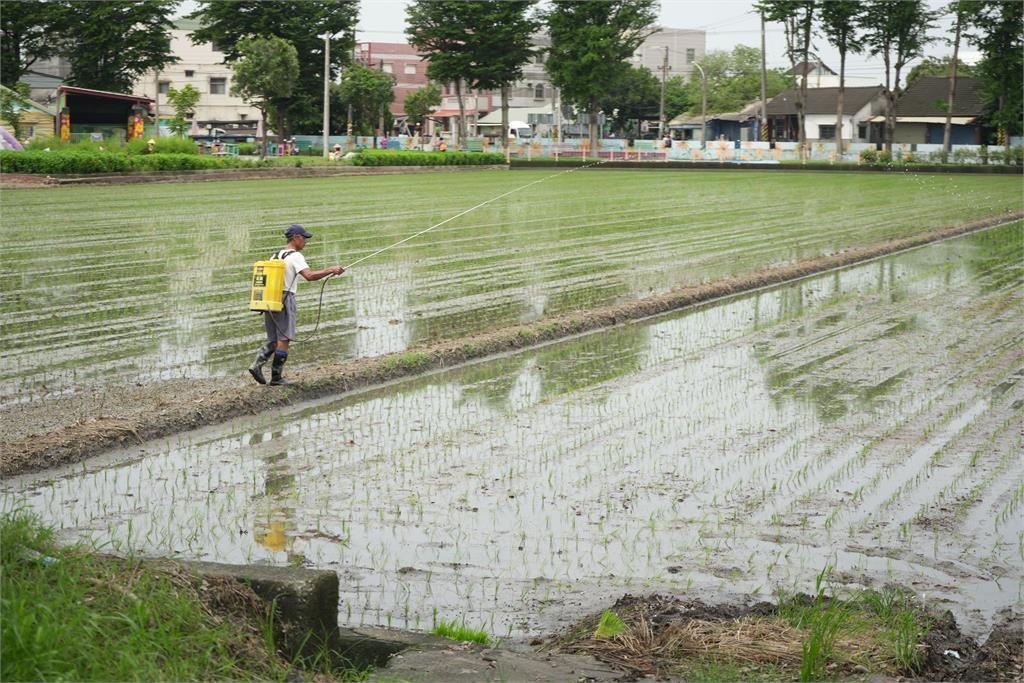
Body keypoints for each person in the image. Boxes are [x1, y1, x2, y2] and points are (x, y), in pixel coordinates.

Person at [249, 224, 345, 386]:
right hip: (286, 298)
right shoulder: (295, 256)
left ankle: (257, 365)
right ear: (296, 238)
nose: (306, 241)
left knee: (274, 338)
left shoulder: (276, 255)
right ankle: (276, 377)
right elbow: (309, 276)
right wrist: (331, 270)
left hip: (269, 299)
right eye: (304, 238)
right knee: (284, 338)